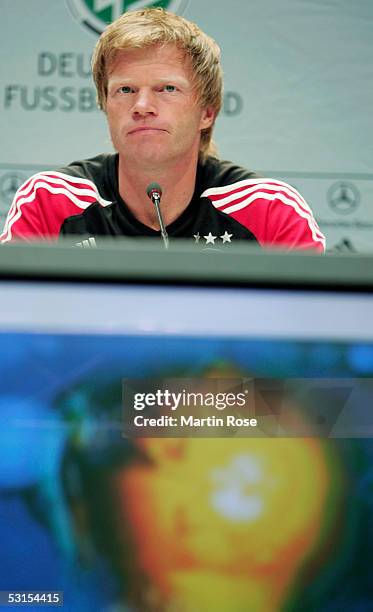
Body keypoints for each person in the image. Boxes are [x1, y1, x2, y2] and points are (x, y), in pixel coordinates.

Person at [0, 8, 325, 251]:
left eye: (167, 89)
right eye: (125, 90)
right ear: (105, 106)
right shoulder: (49, 201)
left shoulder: (269, 211)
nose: (142, 106)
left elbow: (315, 331)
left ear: (207, 112)